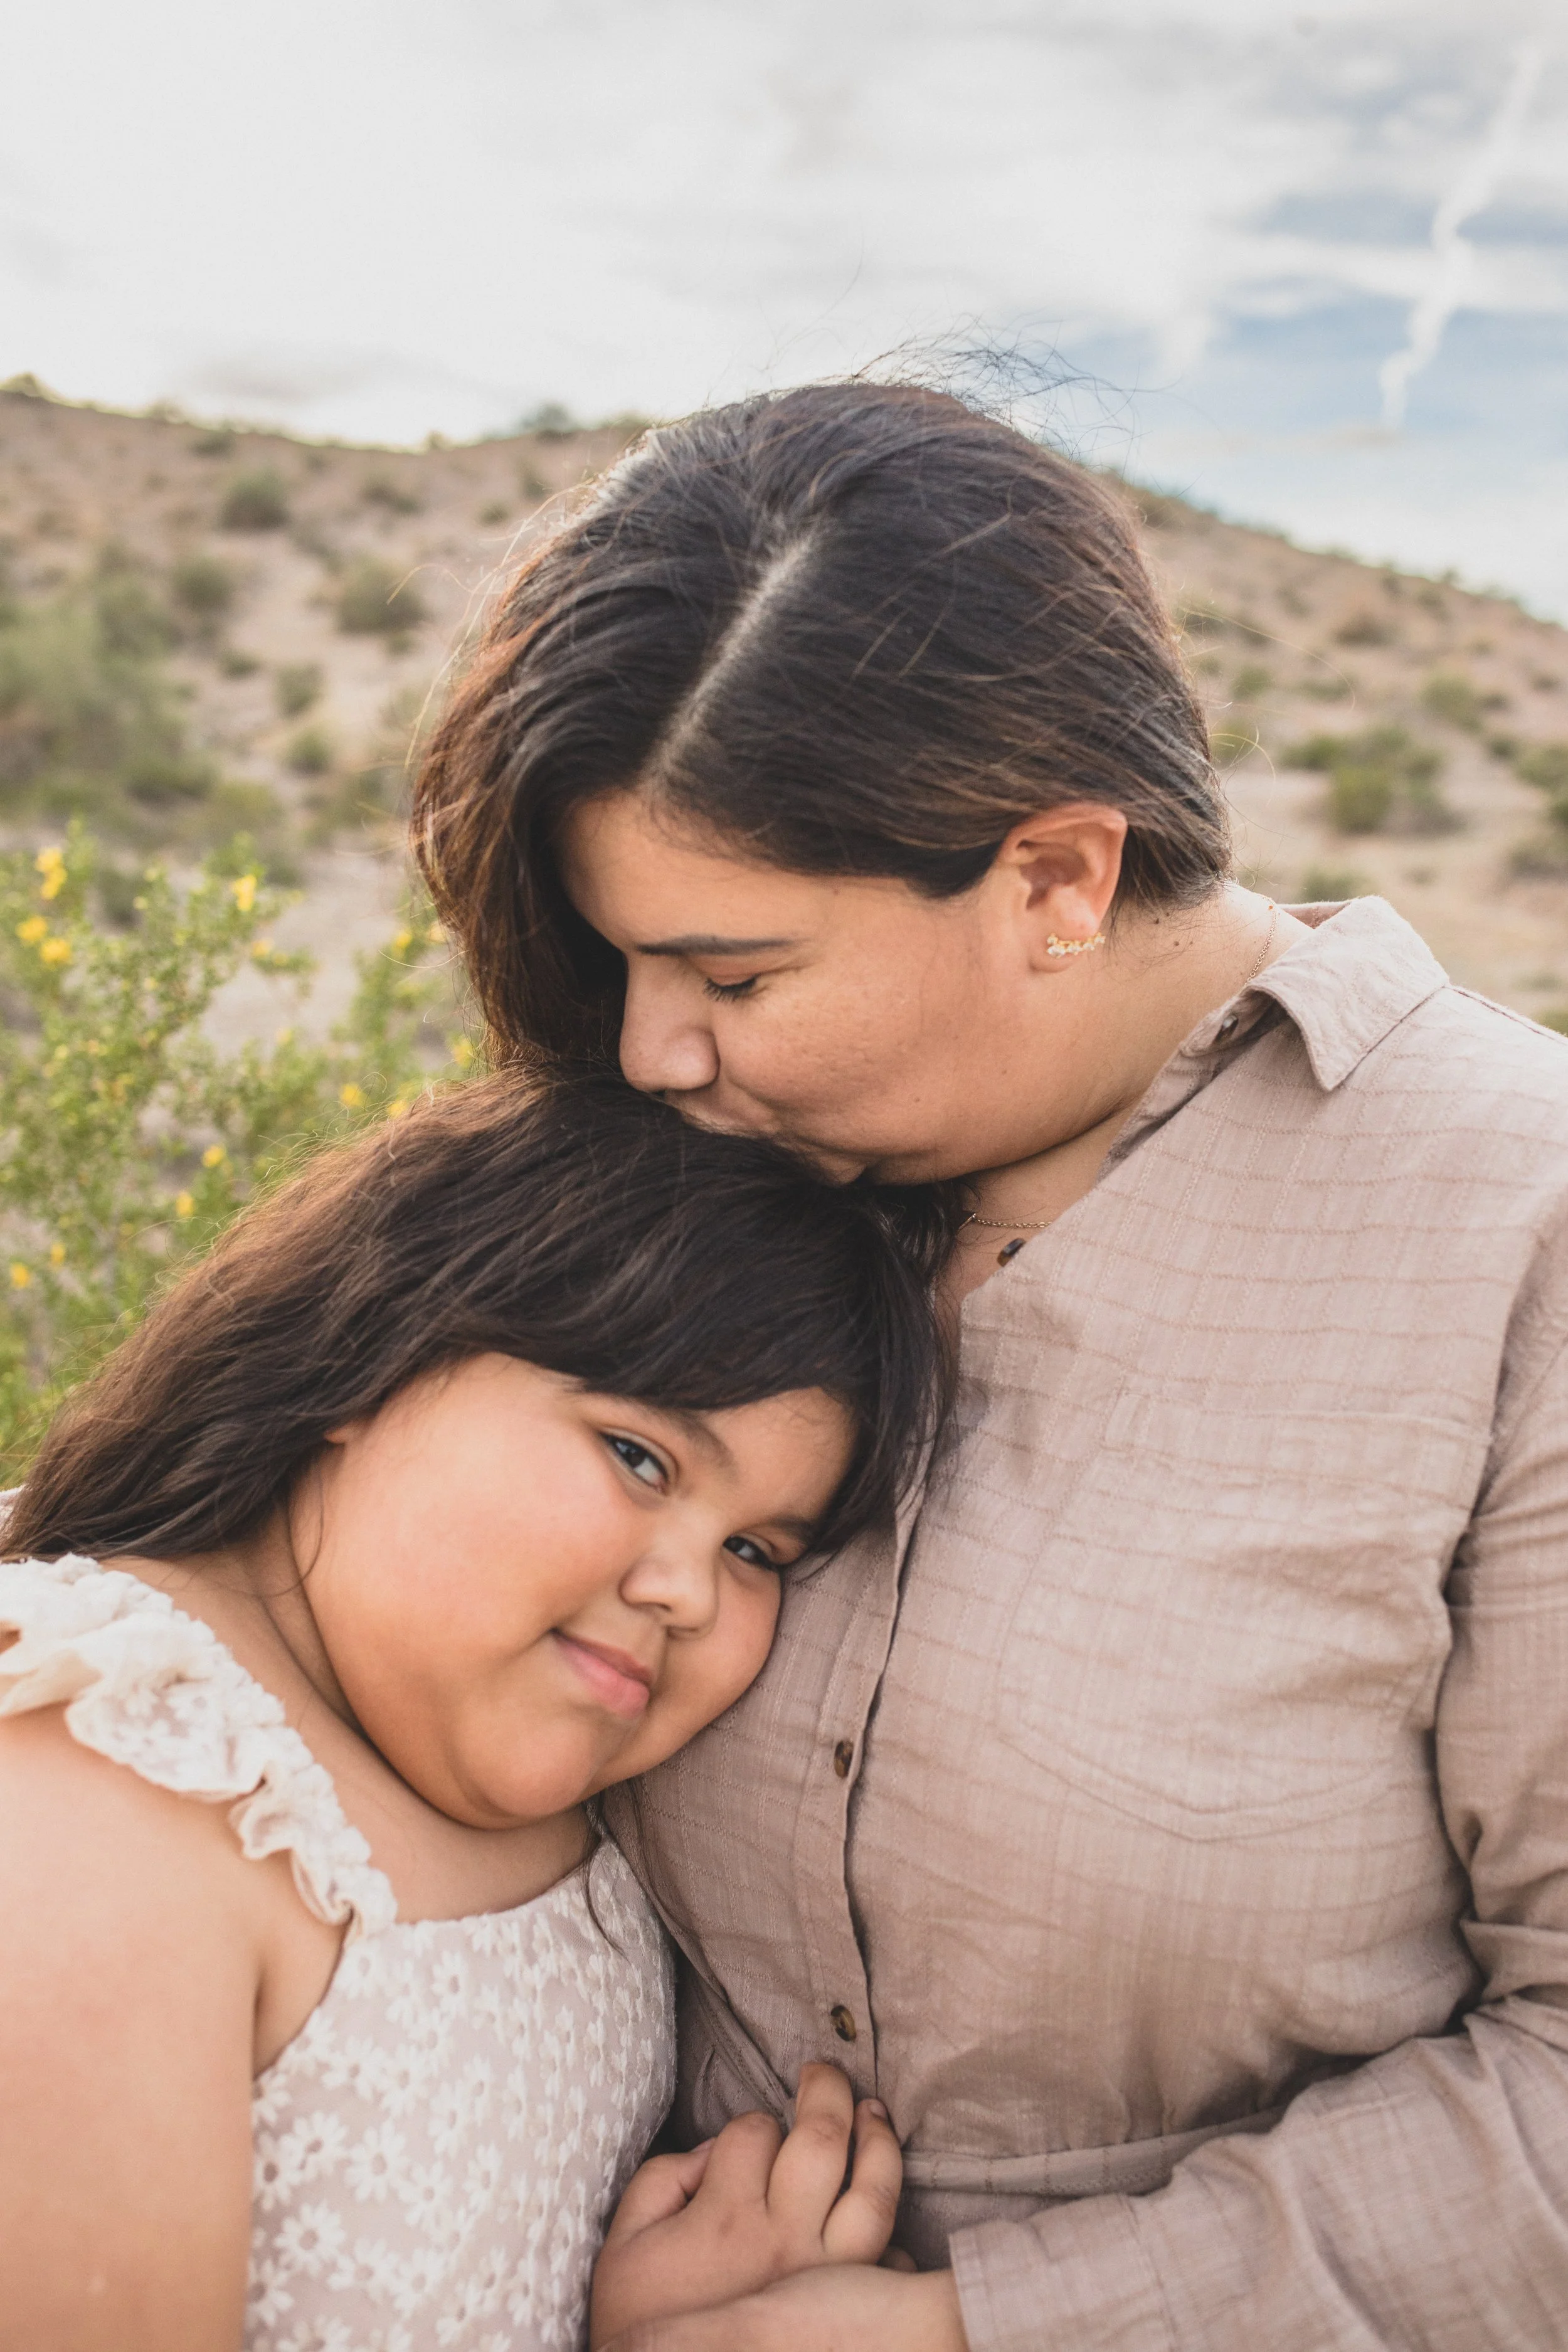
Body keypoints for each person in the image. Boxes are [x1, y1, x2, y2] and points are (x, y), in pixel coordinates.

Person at [414, 381, 1568, 2351]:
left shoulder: (1511, 1228)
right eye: (622, 966)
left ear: (1057, 877)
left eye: (735, 974)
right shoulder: (696, 1148)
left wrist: (962, 2331)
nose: (647, 1055)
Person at [0, 1068, 950, 2352]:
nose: (682, 1591)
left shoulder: (576, 1800)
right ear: (373, 1358)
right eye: (638, 1456)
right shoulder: (109, 1781)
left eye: (756, 1553)